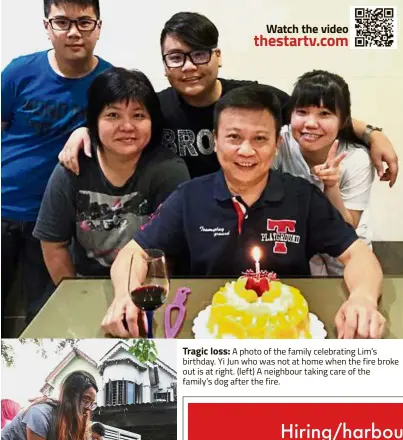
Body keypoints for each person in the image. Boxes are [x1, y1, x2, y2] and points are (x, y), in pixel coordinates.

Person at [102, 85, 385, 340]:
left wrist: (363, 298)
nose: (246, 151)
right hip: (207, 333)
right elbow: (133, 254)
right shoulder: (189, 196)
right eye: (234, 137)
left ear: (276, 145)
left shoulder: (302, 196)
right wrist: (124, 295)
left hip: (286, 336)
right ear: (215, 141)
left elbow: (358, 255)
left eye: (260, 139)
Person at [59, 12, 398, 184]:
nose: (189, 67)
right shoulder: (156, 107)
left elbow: (310, 117)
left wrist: (372, 134)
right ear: (164, 65)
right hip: (181, 216)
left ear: (218, 56)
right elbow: (122, 124)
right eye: (176, 57)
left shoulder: (251, 97)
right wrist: (83, 132)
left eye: (200, 55)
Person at [1, 0, 111, 327]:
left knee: (45, 318)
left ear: (99, 27)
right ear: (47, 27)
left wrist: (85, 129)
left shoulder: (110, 82)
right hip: (4, 206)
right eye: (62, 22)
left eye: (84, 22)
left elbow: (122, 132)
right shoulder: (19, 71)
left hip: (58, 223)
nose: (74, 32)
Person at [33, 67, 189, 285]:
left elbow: (170, 251)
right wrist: (74, 293)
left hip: (146, 285)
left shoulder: (169, 170)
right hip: (86, 284)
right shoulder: (74, 167)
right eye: (112, 115)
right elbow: (53, 243)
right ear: (93, 122)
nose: (127, 126)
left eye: (138, 115)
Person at [275, 70, 374, 276]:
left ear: (344, 121)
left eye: (324, 114)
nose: (311, 123)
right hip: (296, 248)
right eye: (301, 112)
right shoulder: (280, 142)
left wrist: (331, 186)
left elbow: (348, 226)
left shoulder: (356, 159)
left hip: (345, 254)